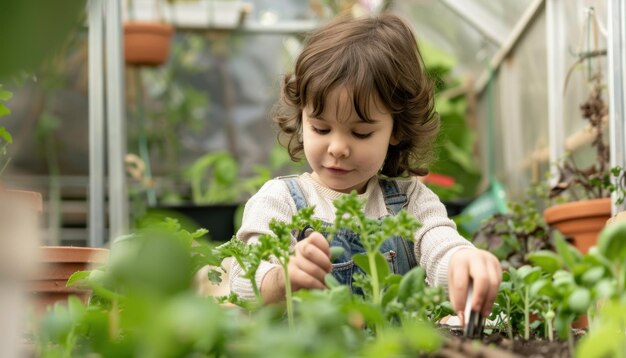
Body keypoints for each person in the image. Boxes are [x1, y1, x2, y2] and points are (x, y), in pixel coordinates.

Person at [229, 13, 502, 323]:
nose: (337, 147)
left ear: (396, 130)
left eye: (360, 133)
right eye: (320, 128)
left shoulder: (410, 201)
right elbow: (242, 281)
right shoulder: (280, 200)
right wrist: (282, 278)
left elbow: (440, 243)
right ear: (302, 118)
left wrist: (463, 261)